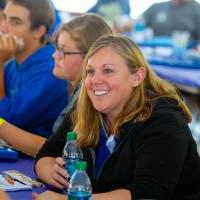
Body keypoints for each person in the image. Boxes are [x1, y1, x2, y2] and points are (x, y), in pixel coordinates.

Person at [35, 35, 200, 199]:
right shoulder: (86, 110)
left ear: (137, 77)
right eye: (90, 71)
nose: (95, 80)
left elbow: (147, 194)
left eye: (108, 71)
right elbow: (45, 154)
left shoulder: (163, 119)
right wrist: (51, 171)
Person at [0, 13, 112, 157]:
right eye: (56, 48)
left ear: (91, 57)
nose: (54, 55)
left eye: (63, 51)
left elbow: (57, 150)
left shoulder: (89, 96)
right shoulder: (75, 88)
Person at [0, 0, 67, 140]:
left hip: (37, 158)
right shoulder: (12, 64)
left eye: (15, 22)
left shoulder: (52, 69)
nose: (3, 28)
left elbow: (7, 120)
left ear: (39, 31)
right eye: (4, 17)